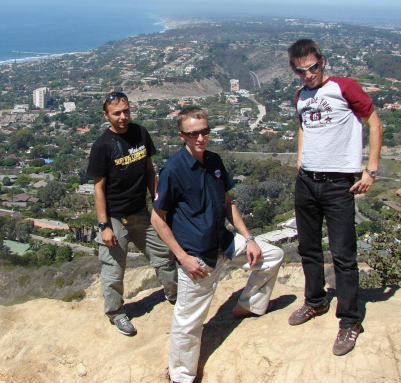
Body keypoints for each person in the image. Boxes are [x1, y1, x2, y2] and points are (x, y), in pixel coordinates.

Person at [151, 107, 284, 383]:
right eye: (193, 133)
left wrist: (248, 238)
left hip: (223, 243)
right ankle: (181, 377)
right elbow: (157, 218)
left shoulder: (214, 161)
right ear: (182, 136)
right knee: (188, 324)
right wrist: (182, 257)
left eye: (204, 131)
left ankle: (248, 305)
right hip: (197, 257)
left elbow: (227, 204)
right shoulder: (173, 170)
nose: (200, 138)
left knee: (272, 256)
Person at [288, 39, 383, 356]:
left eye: (313, 67)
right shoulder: (301, 96)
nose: (308, 74)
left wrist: (370, 170)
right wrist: (300, 161)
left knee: (343, 255)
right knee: (308, 248)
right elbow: (302, 127)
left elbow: (374, 122)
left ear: (323, 62)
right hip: (307, 182)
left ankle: (350, 321)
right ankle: (315, 301)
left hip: (339, 184)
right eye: (301, 70)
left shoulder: (345, 87)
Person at [87, 91, 178, 336]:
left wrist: (158, 205)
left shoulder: (140, 133)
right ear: (106, 116)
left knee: (164, 256)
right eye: (117, 113)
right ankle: (116, 314)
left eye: (126, 110)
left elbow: (150, 170)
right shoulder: (102, 145)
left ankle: (176, 296)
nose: (123, 116)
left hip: (141, 212)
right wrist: (104, 225)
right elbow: (99, 188)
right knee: (114, 269)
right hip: (115, 217)